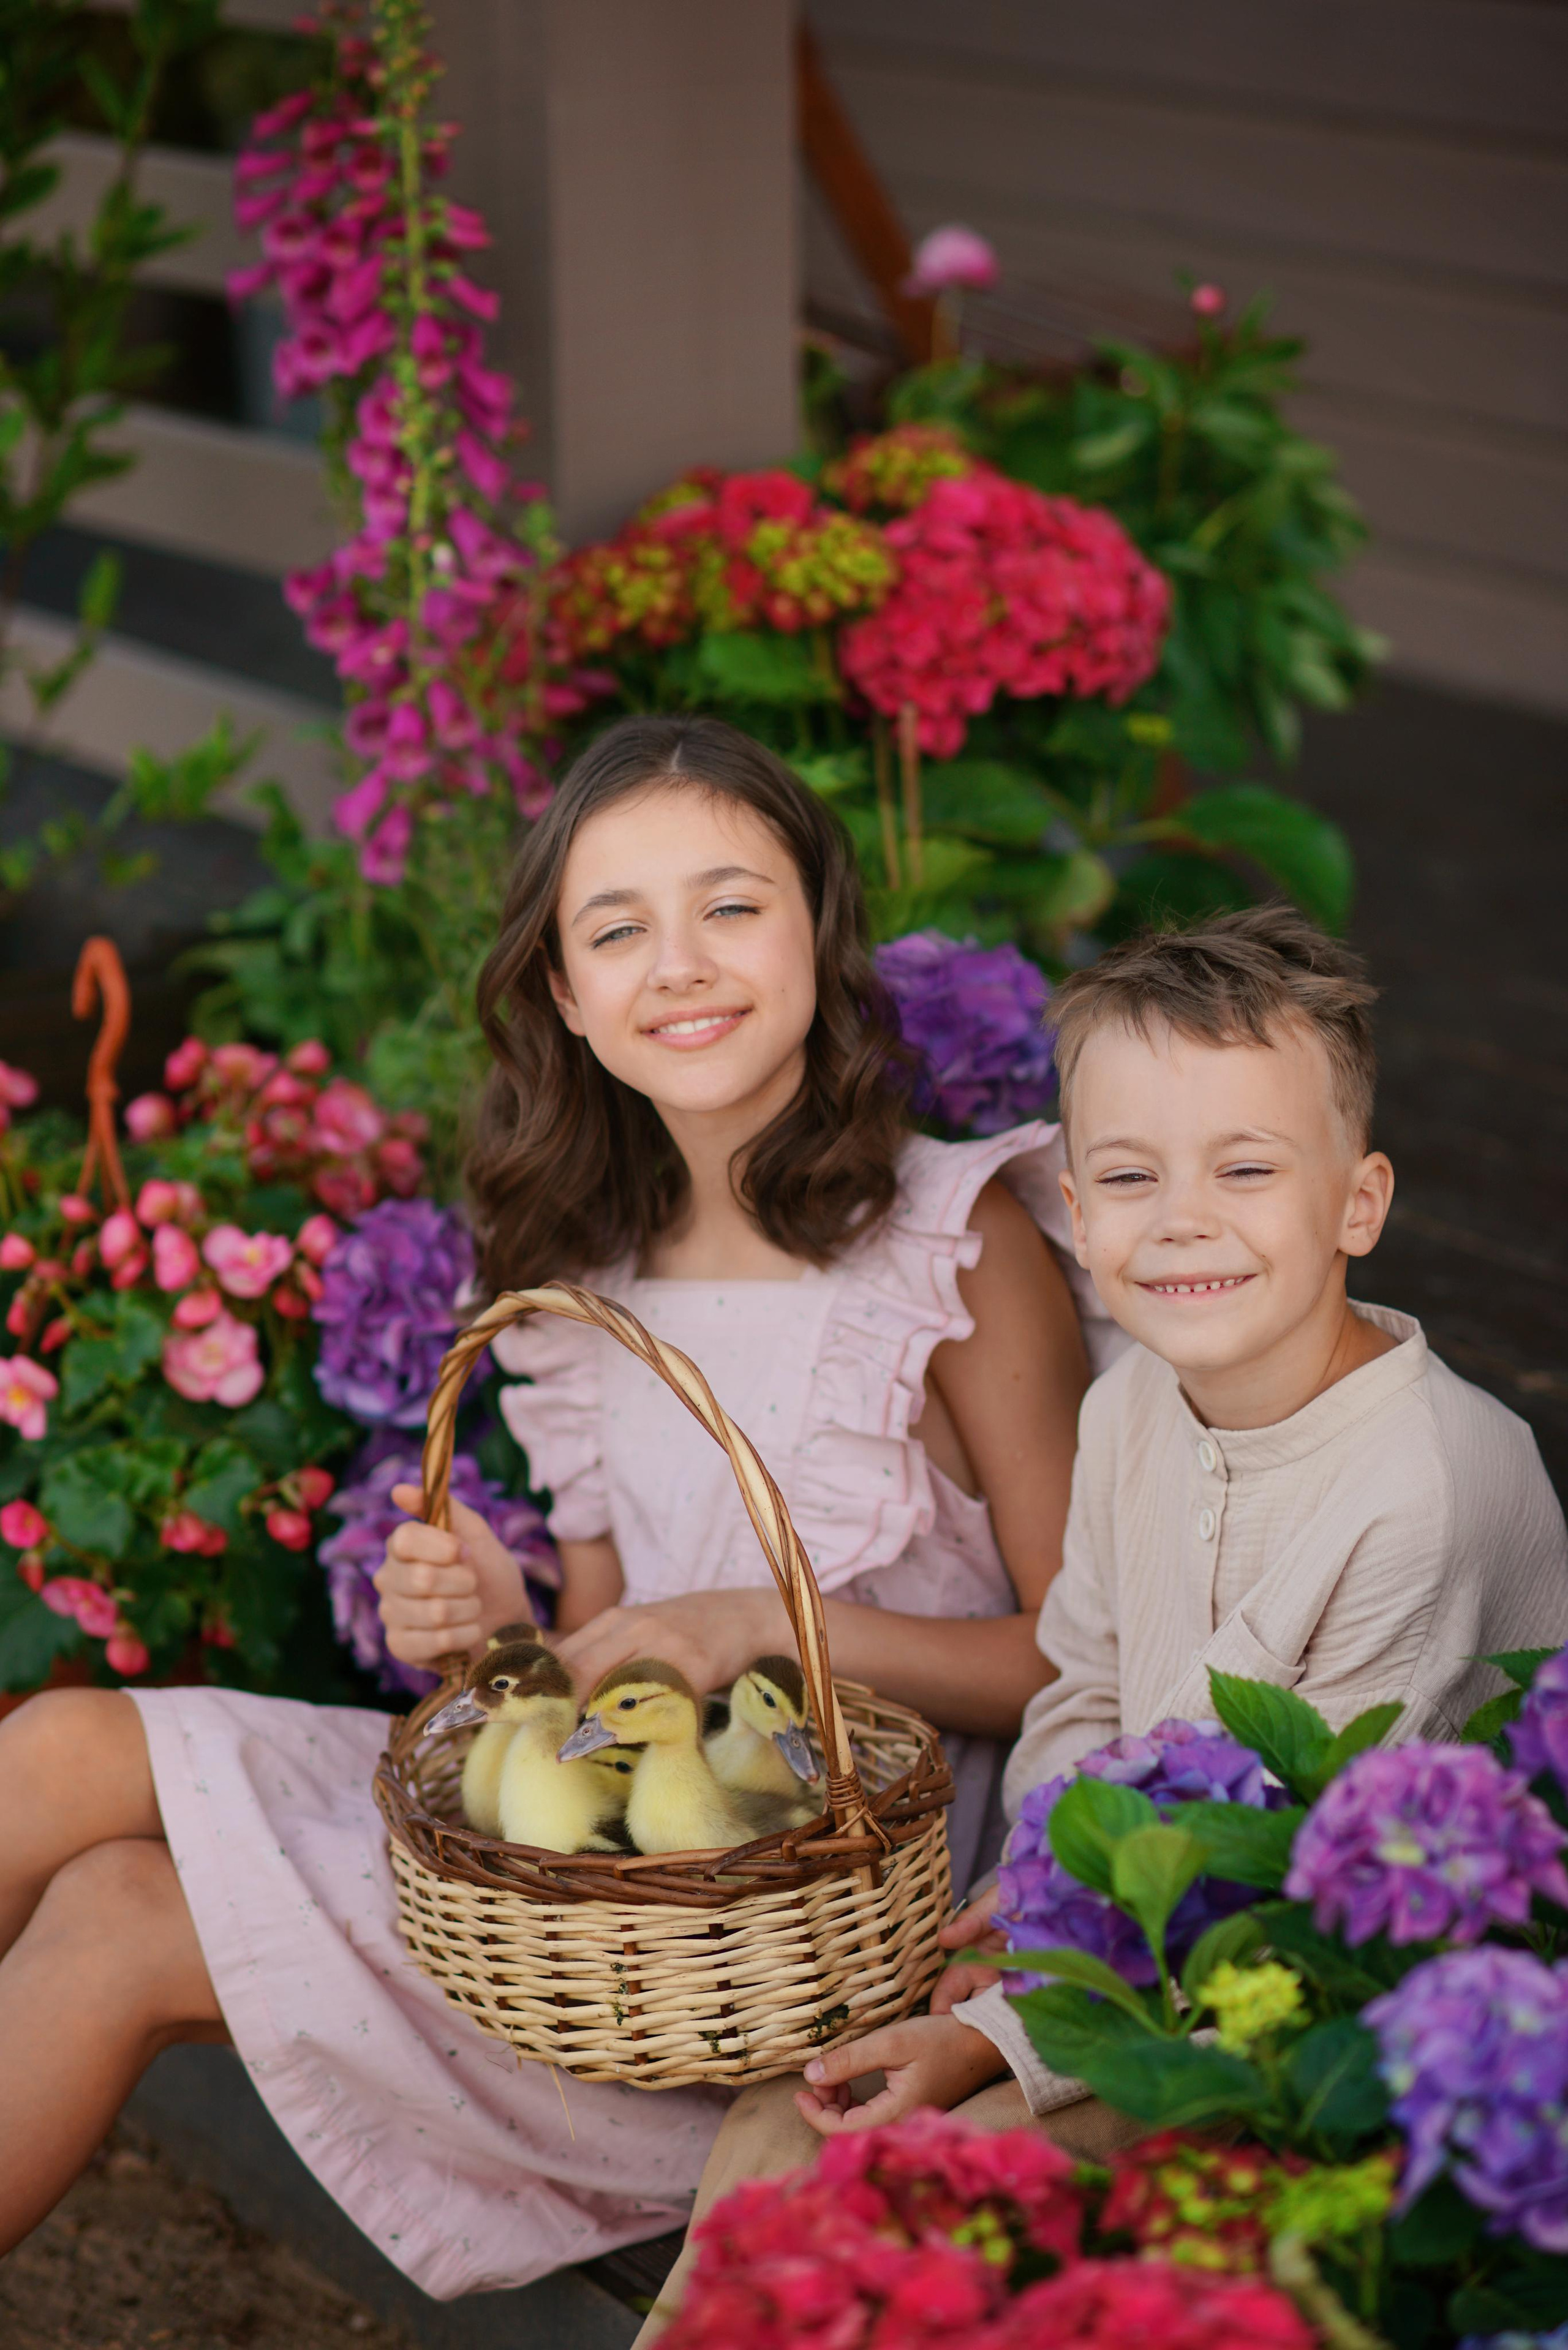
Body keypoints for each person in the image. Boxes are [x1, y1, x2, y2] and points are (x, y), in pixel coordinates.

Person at [0, 715, 1114, 2294]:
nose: (683, 961)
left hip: (771, 1950)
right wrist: (507, 1627)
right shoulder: (581, 1284)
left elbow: (1081, 1654)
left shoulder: (948, 1250)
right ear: (566, 1003)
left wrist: (749, 1627)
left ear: (817, 927)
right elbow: (606, 1665)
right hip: (591, 1882)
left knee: (121, 1916)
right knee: (56, 1746)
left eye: (732, 903)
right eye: (617, 928)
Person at [635, 905, 1568, 2343]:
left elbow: (1294, 1884)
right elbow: (1083, 1677)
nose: (1181, 1220)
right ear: (1073, 1199)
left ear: (1357, 1201)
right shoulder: (1131, 1398)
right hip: (1131, 1946)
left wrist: (992, 2036)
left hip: (1313, 2022)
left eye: (1245, 1169)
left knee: (926, 2179)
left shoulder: (1422, 1490)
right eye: (1128, 1174)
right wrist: (1026, 1904)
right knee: (783, 2119)